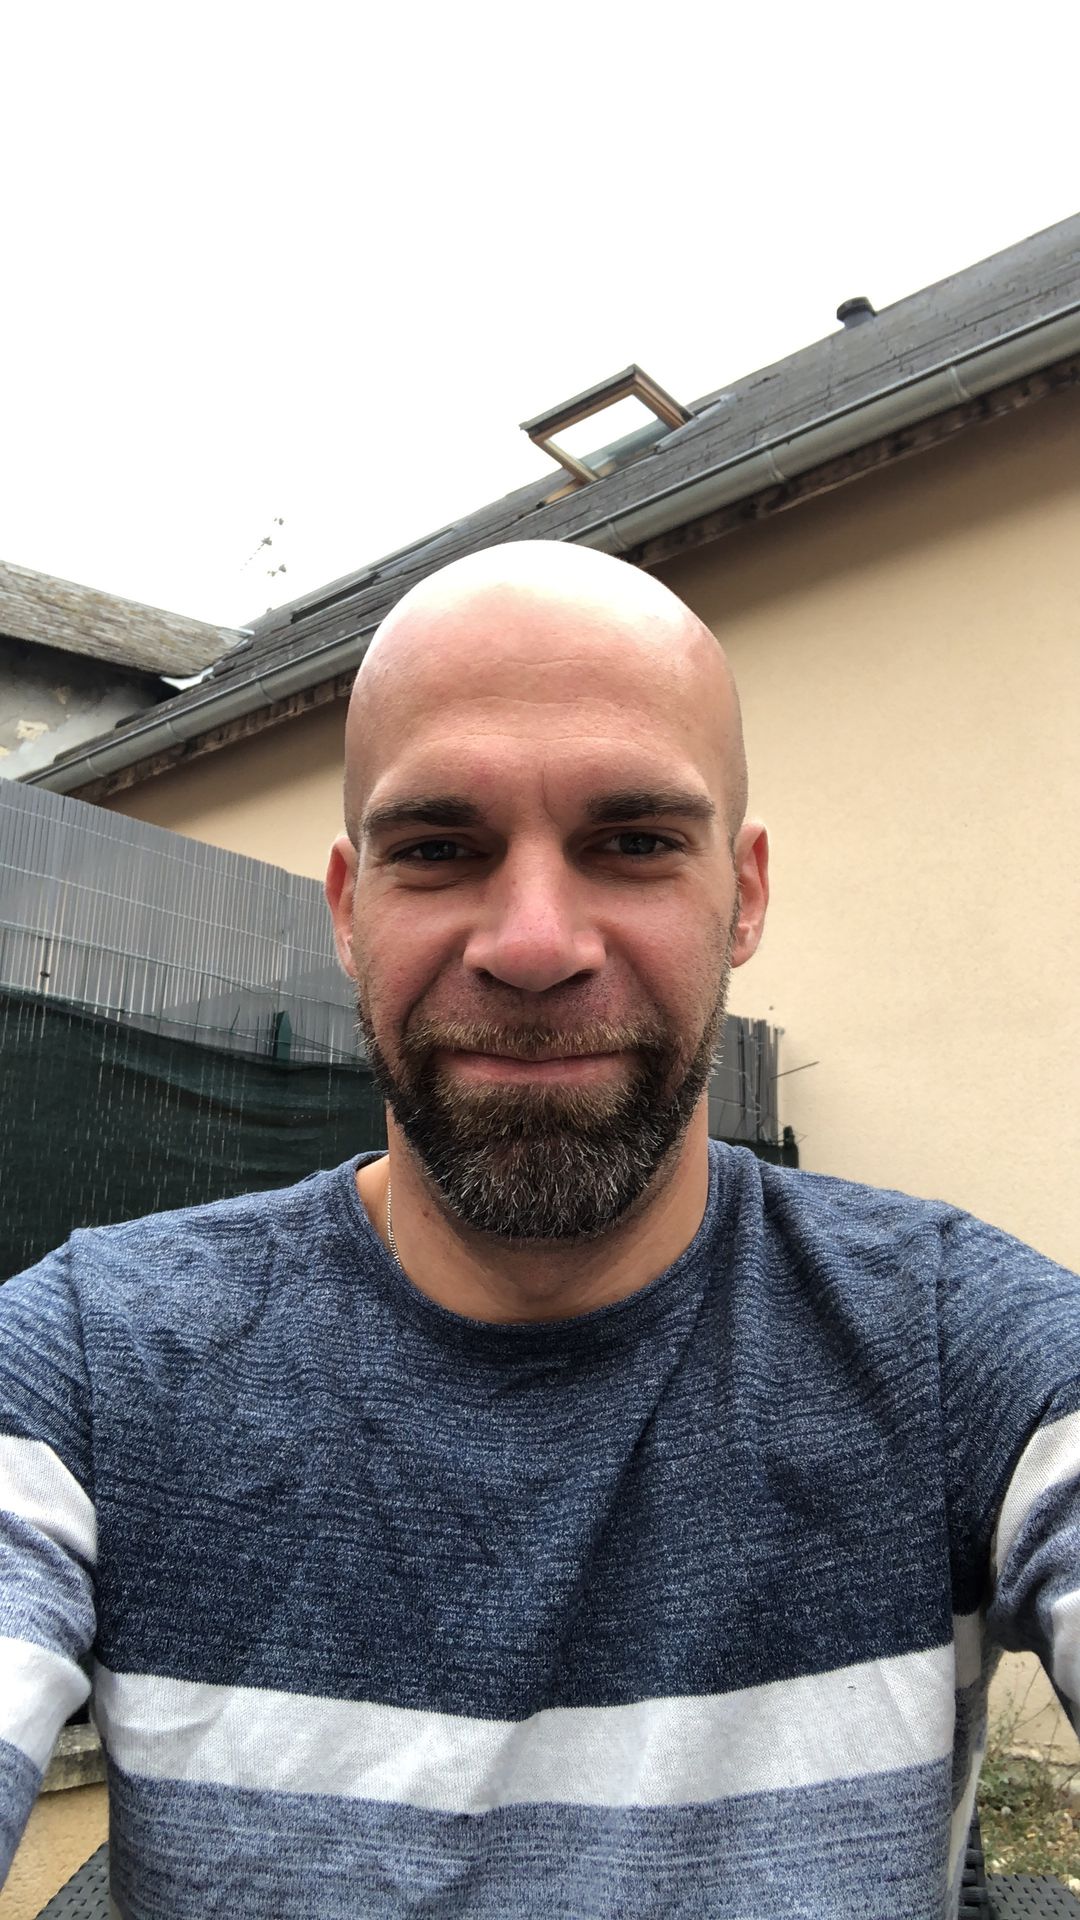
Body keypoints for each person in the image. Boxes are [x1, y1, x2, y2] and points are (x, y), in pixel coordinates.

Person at [0, 540, 1077, 1920]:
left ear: (743, 895)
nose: (532, 943)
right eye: (440, 850)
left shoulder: (959, 1350)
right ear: (350, 909)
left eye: (632, 843)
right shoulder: (90, 1373)